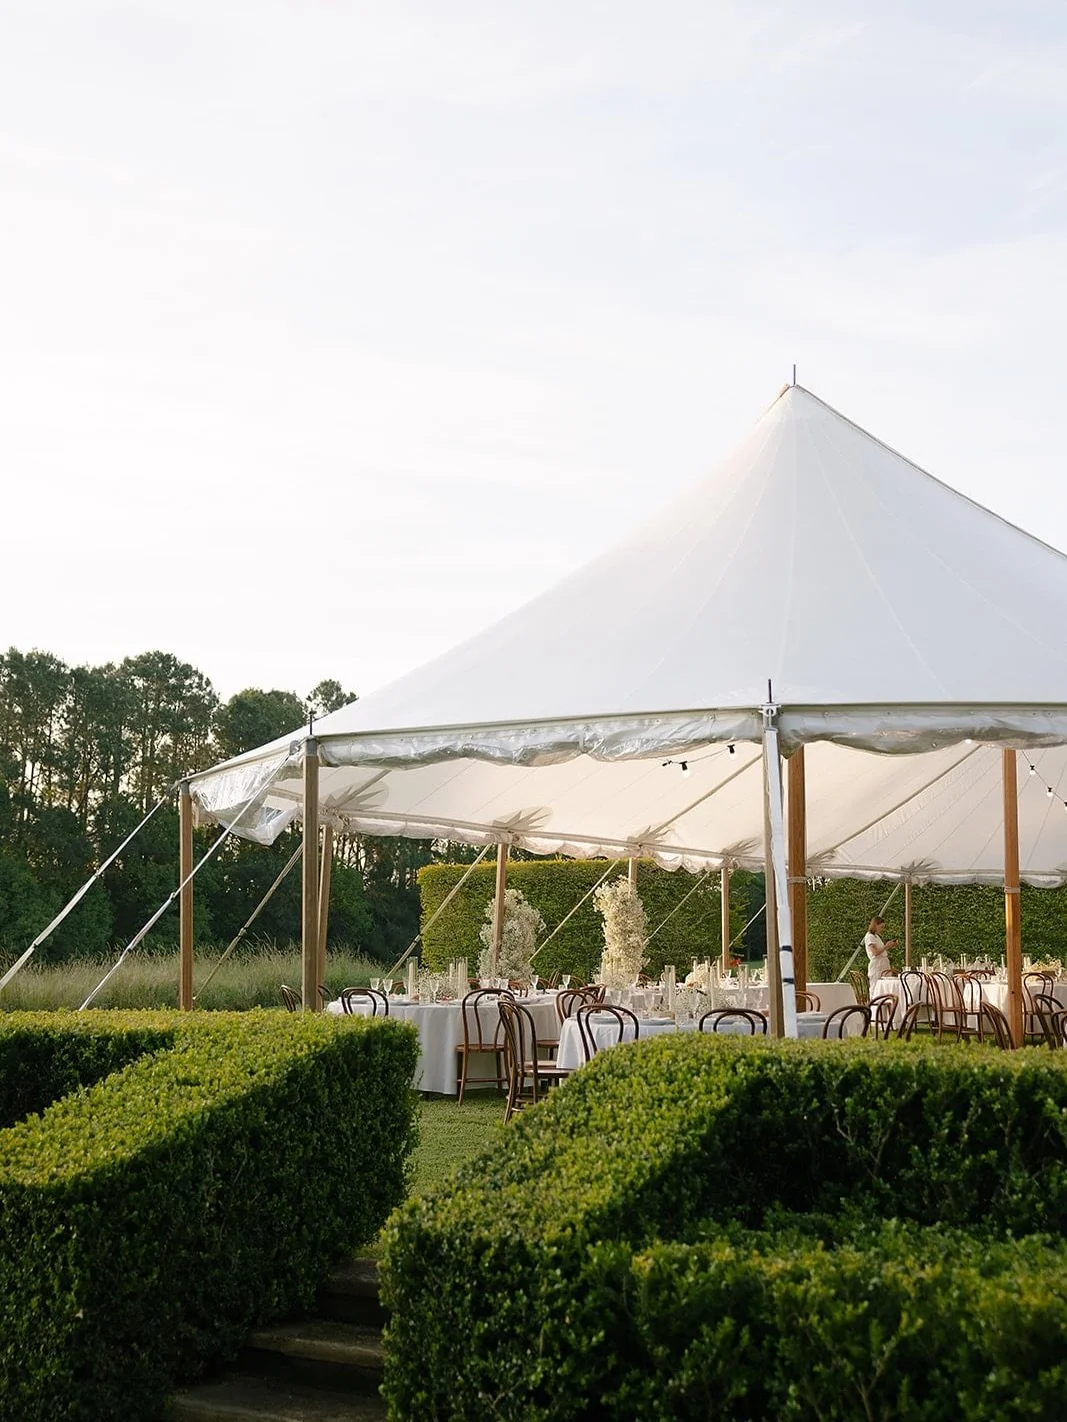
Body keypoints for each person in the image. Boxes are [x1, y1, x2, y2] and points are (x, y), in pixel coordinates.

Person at [864, 916, 897, 997]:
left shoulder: (876, 936)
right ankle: (874, 1006)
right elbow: (875, 952)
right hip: (877, 965)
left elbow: (881, 950)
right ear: (875, 925)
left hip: (883, 963)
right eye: (881, 927)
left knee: (885, 987)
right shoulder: (870, 937)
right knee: (876, 987)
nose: (882, 929)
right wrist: (886, 946)